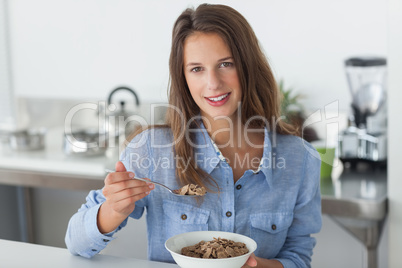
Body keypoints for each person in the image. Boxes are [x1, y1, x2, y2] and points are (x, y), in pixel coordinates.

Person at [65, 3, 322, 268]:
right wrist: (113, 210)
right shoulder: (151, 150)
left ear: (248, 67)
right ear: (183, 78)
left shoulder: (300, 160)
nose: (213, 83)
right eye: (197, 69)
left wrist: (257, 266)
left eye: (226, 64)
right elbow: (75, 243)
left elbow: (298, 257)